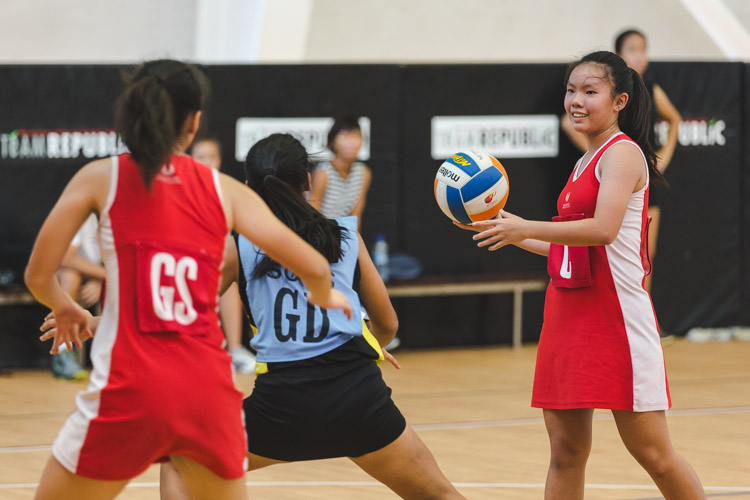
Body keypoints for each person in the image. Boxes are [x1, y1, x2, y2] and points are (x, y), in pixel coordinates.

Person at [24, 59, 350, 500]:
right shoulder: (225, 189)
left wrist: (67, 308)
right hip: (207, 394)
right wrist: (323, 293)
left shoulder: (102, 177)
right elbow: (312, 263)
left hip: (131, 389)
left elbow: (39, 275)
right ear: (194, 123)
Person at [157, 133, 464, 500]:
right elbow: (388, 324)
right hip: (359, 404)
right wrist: (367, 346)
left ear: (247, 187)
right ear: (307, 181)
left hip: (280, 411)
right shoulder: (347, 236)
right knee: (441, 496)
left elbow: (182, 313)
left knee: (177, 458)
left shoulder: (237, 245)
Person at [456, 51, 704, 499]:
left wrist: (524, 226)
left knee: (654, 454)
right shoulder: (583, 162)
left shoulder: (623, 153)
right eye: (572, 90)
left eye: (591, 91)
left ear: (619, 100)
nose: (577, 99)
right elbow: (570, 249)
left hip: (616, 319)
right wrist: (504, 229)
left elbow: (603, 231)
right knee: (566, 452)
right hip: (568, 315)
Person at [561, 29, 682, 296]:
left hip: (624, 315)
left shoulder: (625, 151)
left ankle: (644, 313)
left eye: (643, 49)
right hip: (598, 307)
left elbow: (675, 119)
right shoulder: (598, 156)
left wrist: (660, 159)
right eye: (632, 49)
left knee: (642, 252)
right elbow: (576, 243)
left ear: (621, 102)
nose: (639, 56)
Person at [190, 137, 256, 374]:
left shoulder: (228, 192)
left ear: (219, 160)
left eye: (211, 156)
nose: (206, 162)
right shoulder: (180, 190)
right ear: (189, 160)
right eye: (200, 156)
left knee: (230, 279)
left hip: (215, 262)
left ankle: (235, 349)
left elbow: (227, 237)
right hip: (185, 262)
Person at [52, 214, 105, 380]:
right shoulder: (82, 215)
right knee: (69, 275)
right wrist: (105, 276)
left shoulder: (125, 216)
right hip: (81, 272)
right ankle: (63, 350)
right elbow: (67, 259)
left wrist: (101, 280)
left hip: (104, 274)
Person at [308, 115, 372, 230]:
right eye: (345, 136)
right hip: (317, 234)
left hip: (342, 236)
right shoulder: (323, 174)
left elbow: (355, 216)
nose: (352, 142)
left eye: (356, 136)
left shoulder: (364, 173)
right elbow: (313, 214)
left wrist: (353, 244)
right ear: (333, 141)